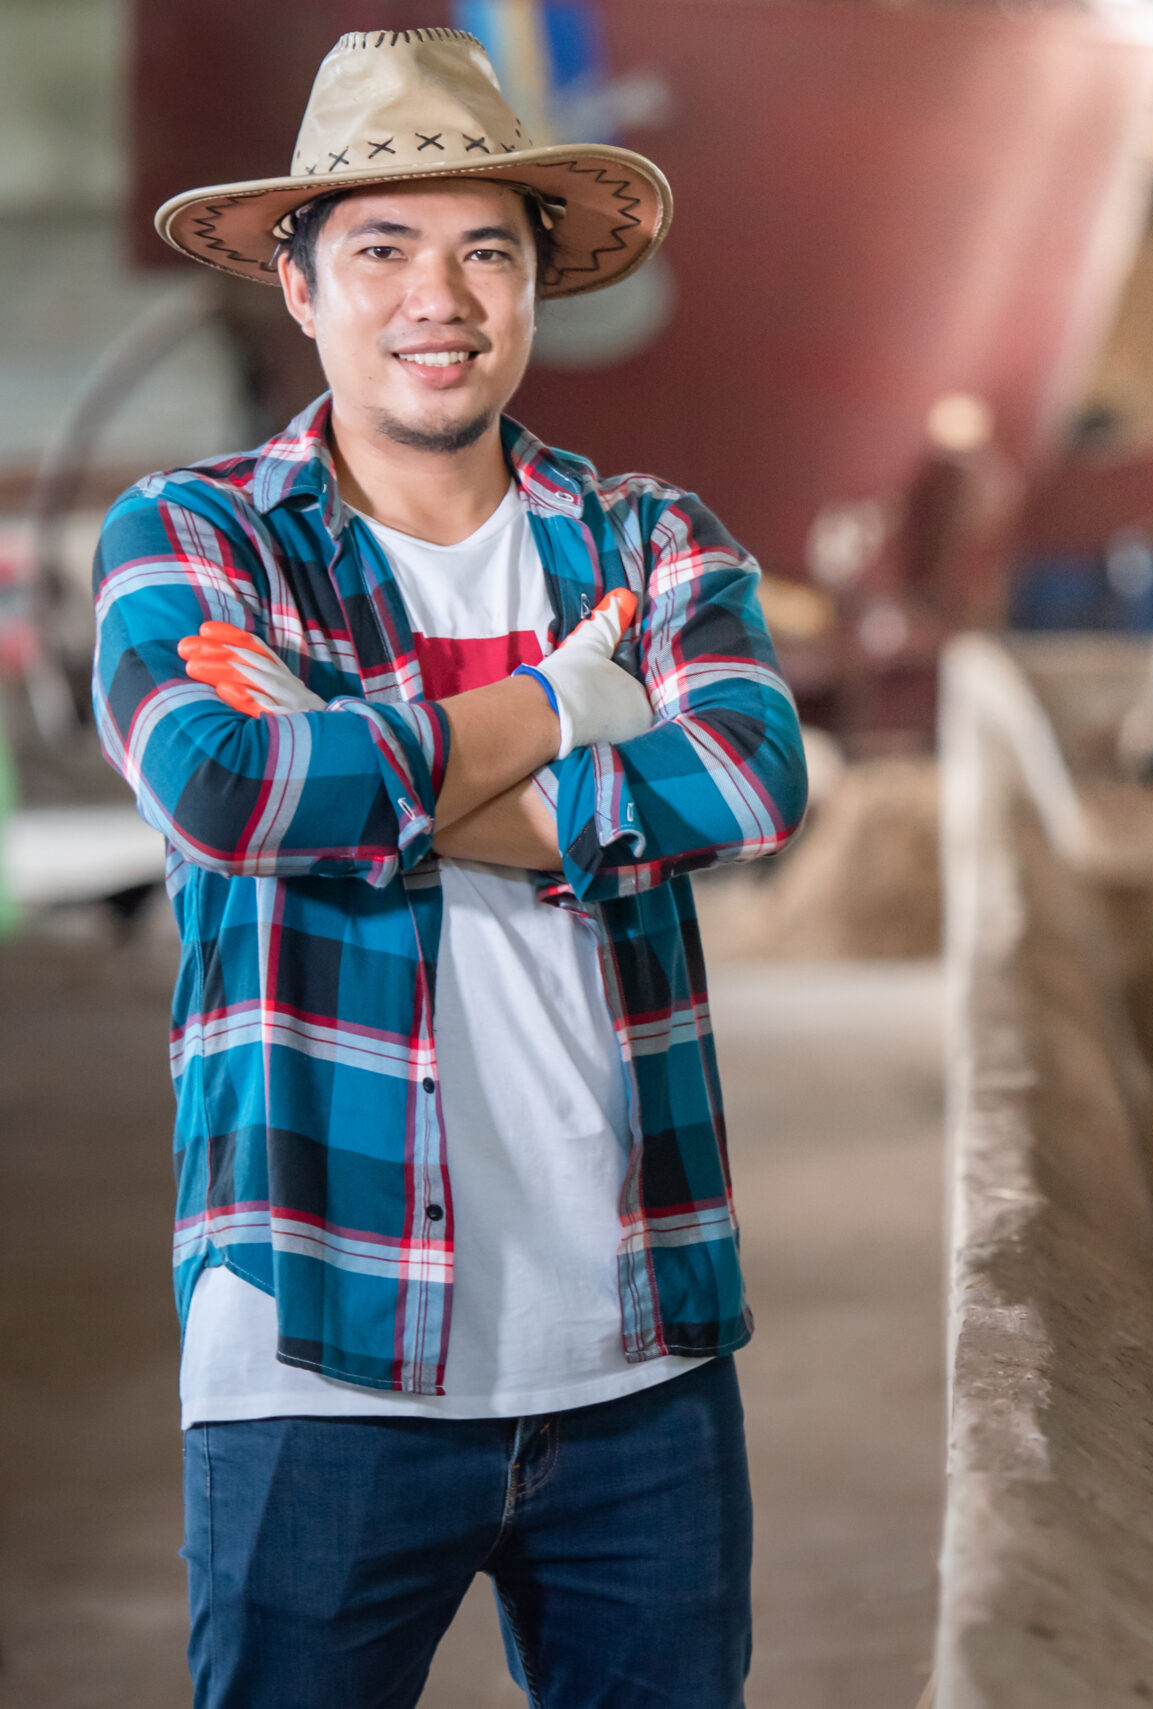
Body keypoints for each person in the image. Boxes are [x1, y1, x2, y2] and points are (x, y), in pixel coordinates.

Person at [91, 28, 806, 1707]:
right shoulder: (198, 536)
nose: (443, 296)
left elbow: (750, 781)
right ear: (298, 280)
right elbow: (221, 784)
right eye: (384, 248)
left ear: (539, 280)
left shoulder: (651, 540)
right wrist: (565, 709)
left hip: (640, 1361)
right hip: (317, 1364)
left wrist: (352, 749)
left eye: (488, 247)